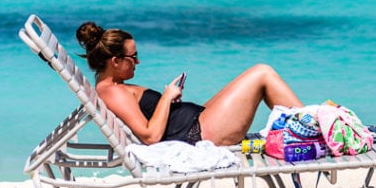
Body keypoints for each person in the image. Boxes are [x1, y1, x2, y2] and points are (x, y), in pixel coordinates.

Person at [75, 21, 303, 146]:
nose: (138, 61)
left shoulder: (113, 87)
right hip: (198, 132)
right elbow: (150, 136)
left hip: (194, 123)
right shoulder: (112, 92)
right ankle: (315, 124)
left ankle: (312, 124)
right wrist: (165, 98)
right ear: (115, 61)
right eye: (132, 57)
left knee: (258, 75)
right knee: (261, 73)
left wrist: (168, 101)